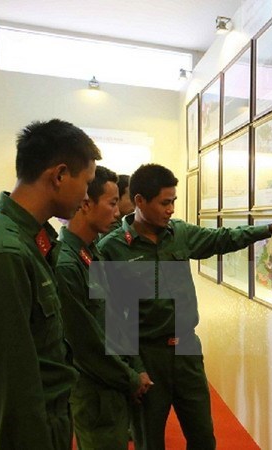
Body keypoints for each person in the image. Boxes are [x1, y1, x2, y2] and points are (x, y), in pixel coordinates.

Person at [98, 163, 272, 450]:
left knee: (203, 438)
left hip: (186, 351)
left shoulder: (179, 234)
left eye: (173, 201)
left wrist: (270, 229)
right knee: (149, 441)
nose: (171, 209)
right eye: (164, 203)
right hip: (147, 355)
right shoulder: (111, 248)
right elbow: (110, 317)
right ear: (140, 201)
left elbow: (223, 239)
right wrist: (134, 369)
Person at [0, 119, 100, 449]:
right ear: (60, 175)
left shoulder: (32, 240)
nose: (86, 197)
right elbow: (11, 392)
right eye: (86, 183)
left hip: (53, 419)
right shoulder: (5, 253)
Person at [55, 166, 153, 449]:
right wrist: (131, 378)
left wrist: (136, 368)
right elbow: (86, 344)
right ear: (87, 205)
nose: (118, 212)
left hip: (114, 383)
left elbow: (115, 317)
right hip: (95, 392)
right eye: (112, 204)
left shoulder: (91, 254)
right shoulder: (66, 264)